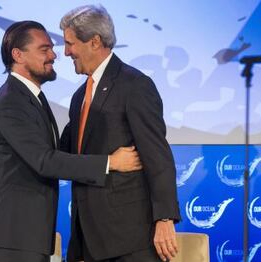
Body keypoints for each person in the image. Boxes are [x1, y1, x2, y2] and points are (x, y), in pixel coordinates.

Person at [0, 20, 143, 262]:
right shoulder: (12, 103)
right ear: (18, 55)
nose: (54, 55)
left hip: (27, 235)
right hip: (13, 234)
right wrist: (110, 163)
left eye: (52, 47)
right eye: (44, 49)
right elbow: (45, 160)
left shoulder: (31, 98)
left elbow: (54, 150)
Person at [59, 5, 181, 262]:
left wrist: (164, 218)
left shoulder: (134, 85)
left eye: (70, 44)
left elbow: (157, 154)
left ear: (94, 42)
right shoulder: (80, 96)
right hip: (88, 238)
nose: (66, 52)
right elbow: (66, 156)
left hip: (130, 240)